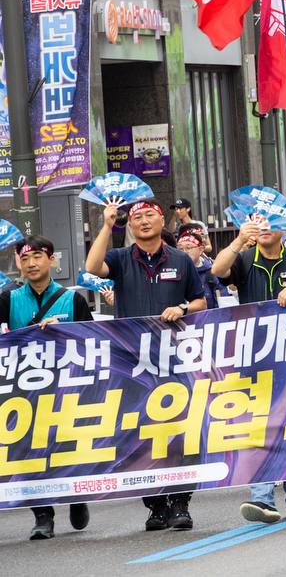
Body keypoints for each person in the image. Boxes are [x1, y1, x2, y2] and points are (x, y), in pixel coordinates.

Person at [84, 199, 207, 531]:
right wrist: (108, 225)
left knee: (180, 433)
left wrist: (182, 308)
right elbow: (93, 267)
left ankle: (180, 503)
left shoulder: (181, 260)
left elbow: (201, 300)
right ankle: (155, 505)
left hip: (175, 361)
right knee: (138, 436)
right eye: (136, 217)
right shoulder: (122, 259)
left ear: (160, 219)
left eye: (149, 215)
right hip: (133, 364)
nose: (143, 221)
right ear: (131, 225)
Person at [210, 215, 286, 523]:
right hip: (254, 359)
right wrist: (237, 240)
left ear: (284, 227)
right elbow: (217, 271)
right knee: (257, 427)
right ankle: (261, 498)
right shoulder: (245, 259)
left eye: (269, 221)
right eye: (255, 222)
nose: (262, 228)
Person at [1, 236, 93, 540]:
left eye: (38, 257)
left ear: (52, 260)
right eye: (24, 259)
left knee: (67, 446)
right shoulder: (7, 300)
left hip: (66, 388)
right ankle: (43, 515)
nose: (31, 264)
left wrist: (64, 332)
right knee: (29, 452)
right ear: (18, 262)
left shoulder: (73, 299)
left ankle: (75, 496)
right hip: (23, 391)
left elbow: (94, 343)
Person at [178, 231, 226, 309]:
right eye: (180, 248)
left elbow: (222, 304)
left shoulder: (211, 272)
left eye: (188, 247)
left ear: (201, 249)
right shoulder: (173, 272)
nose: (184, 252)